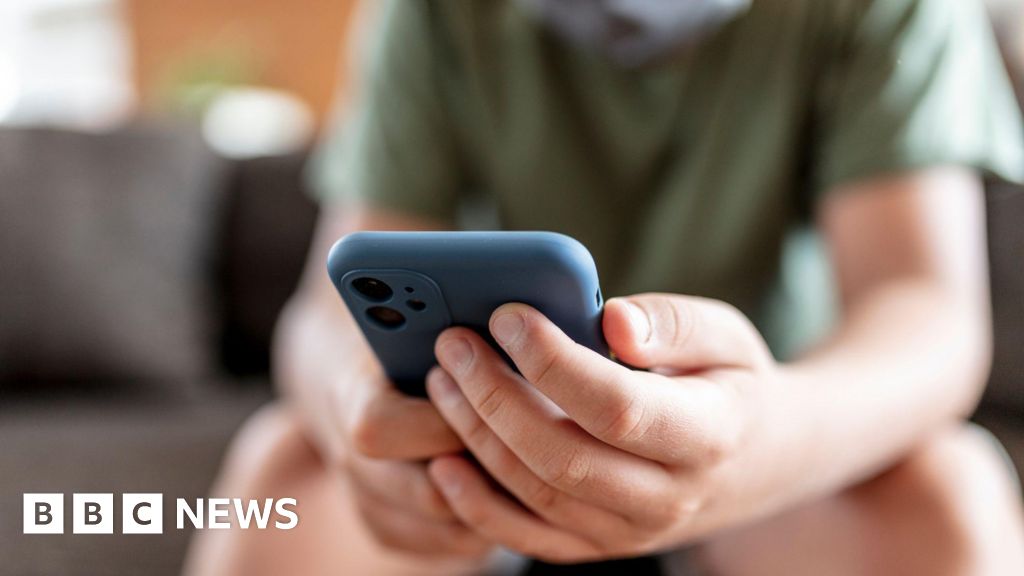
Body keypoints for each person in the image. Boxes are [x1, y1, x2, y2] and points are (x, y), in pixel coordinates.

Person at [185, 0, 1024, 574]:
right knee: (282, 470)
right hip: (481, 467)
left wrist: (767, 441)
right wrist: (357, 414)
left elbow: (927, 312)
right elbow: (326, 311)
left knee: (952, 494)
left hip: (779, 477)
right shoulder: (434, 13)